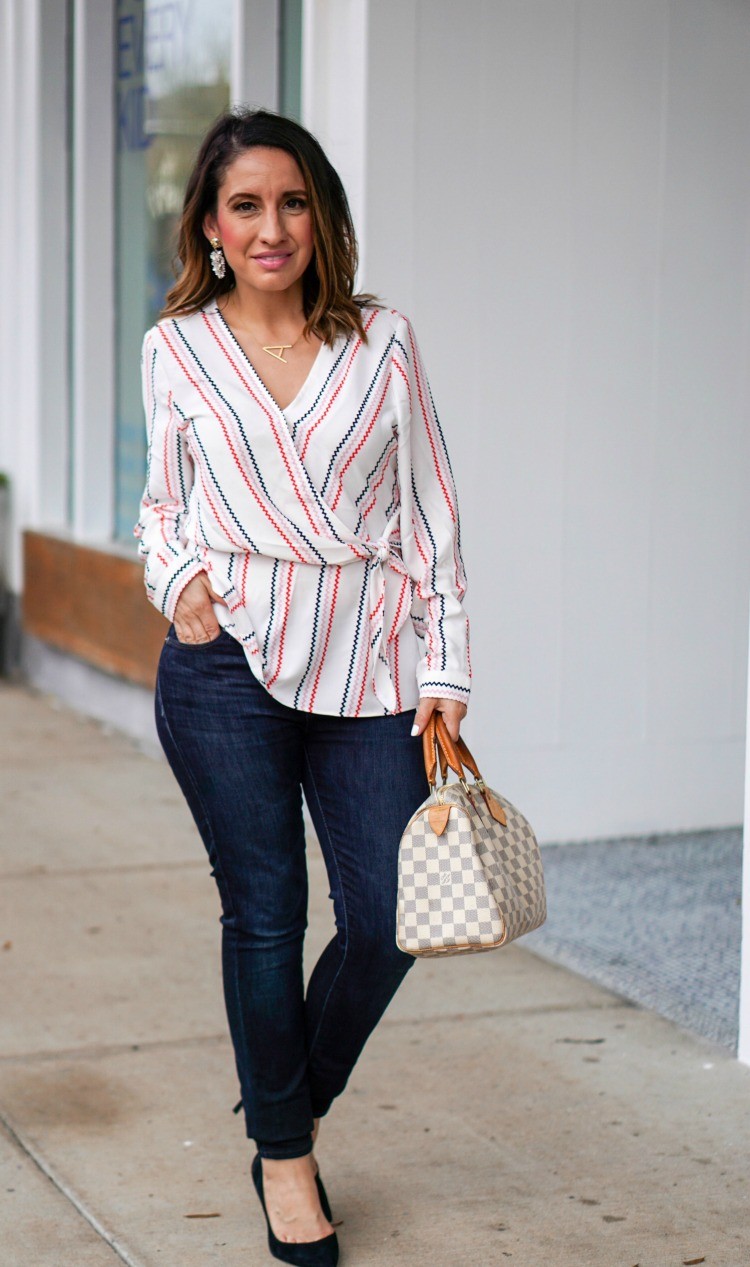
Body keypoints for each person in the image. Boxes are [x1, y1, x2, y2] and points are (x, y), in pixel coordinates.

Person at [134, 107, 472, 1266]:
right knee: (267, 919)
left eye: (291, 202)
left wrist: (447, 663)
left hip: (371, 658)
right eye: (245, 206)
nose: (271, 226)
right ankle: (286, 1161)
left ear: (320, 215)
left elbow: (430, 507)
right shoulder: (175, 346)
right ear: (213, 228)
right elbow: (160, 505)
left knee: (385, 918)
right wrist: (176, 575)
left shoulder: (385, 340)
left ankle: (289, 1101)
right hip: (226, 664)